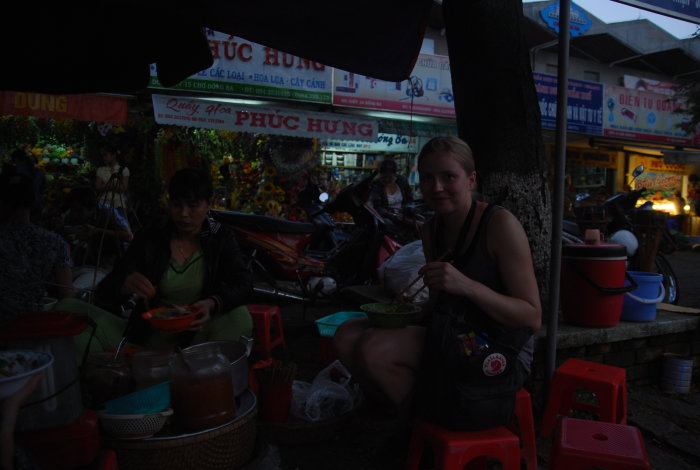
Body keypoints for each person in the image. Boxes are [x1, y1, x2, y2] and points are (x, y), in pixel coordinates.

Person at [334, 136, 541, 431]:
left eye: (448, 177)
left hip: (500, 346)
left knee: (376, 350)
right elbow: (439, 303)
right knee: (346, 335)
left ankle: (422, 433)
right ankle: (414, 419)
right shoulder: (432, 229)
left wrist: (466, 285)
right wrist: (404, 315)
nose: (437, 187)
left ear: (470, 180)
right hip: (453, 333)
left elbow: (531, 317)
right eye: (428, 178)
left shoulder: (499, 225)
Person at [58, 166, 253, 355]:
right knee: (66, 307)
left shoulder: (219, 236)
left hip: (197, 341)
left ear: (208, 204)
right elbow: (105, 293)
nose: (184, 214)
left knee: (240, 317)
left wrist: (212, 303)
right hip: (145, 339)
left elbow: (243, 284)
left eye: (193, 205)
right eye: (177, 204)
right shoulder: (151, 237)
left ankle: (190, 371)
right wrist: (124, 284)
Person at [0, 167, 73, 322]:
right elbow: (68, 297)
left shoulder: (54, 241)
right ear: (34, 201)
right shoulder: (54, 242)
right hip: (33, 327)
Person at [60, 186, 133, 267]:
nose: (74, 214)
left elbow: (129, 236)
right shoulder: (71, 215)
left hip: (111, 255)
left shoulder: (108, 213)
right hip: (86, 256)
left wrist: (98, 231)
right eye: (72, 209)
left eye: (79, 210)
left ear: (92, 208)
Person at [94, 142, 130, 230]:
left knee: (122, 229)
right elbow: (97, 187)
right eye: (102, 156)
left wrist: (106, 186)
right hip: (103, 203)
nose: (103, 158)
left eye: (106, 155)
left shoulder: (123, 170)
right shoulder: (100, 170)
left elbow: (123, 188)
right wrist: (112, 185)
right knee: (104, 228)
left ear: (114, 155)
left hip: (119, 203)